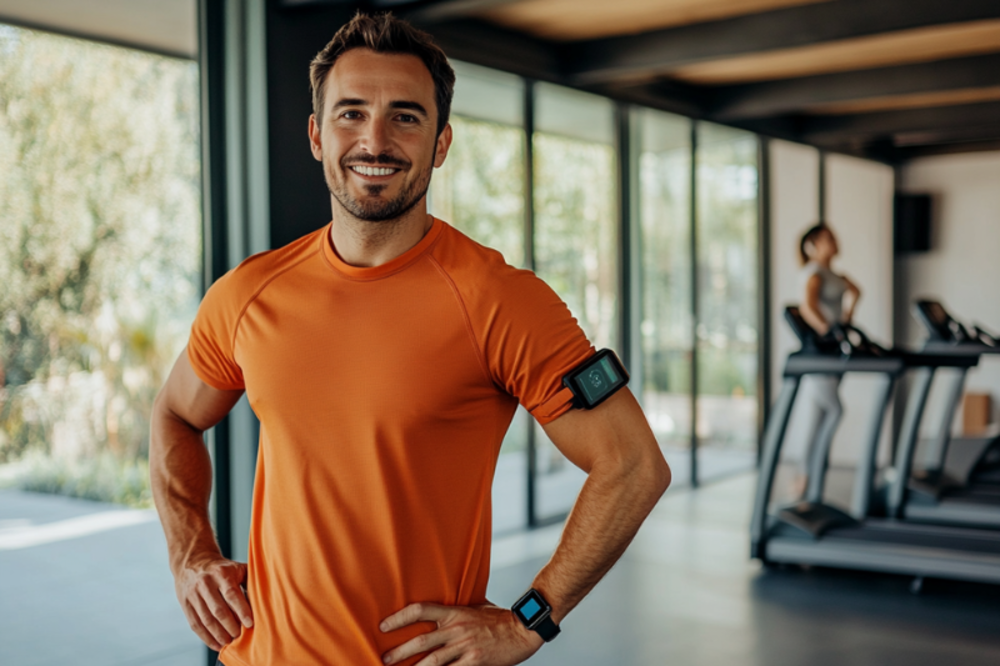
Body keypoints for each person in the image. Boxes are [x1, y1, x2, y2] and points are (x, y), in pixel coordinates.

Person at [149, 12, 670, 666]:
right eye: (351, 113)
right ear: (316, 134)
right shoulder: (250, 294)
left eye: (405, 116)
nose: (375, 138)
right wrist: (190, 554)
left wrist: (530, 620)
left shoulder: (498, 299)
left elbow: (632, 465)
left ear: (440, 143)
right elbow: (174, 414)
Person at [794, 223, 860, 499]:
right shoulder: (815, 273)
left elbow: (857, 291)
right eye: (829, 238)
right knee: (834, 411)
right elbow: (806, 307)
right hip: (820, 352)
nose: (835, 241)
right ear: (814, 244)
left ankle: (809, 483)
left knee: (818, 416)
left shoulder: (836, 274)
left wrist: (846, 319)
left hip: (834, 351)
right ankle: (806, 477)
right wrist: (827, 330)